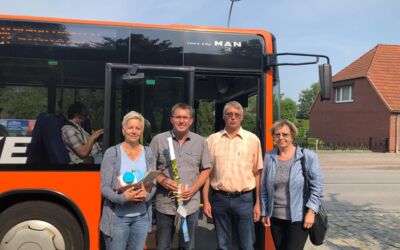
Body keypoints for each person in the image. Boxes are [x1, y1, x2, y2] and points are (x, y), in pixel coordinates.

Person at [150, 103, 212, 250]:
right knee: (163, 246)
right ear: (171, 119)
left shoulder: (200, 142)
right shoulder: (159, 140)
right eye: (178, 117)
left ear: (191, 120)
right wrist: (162, 180)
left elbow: (206, 169)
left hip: (189, 205)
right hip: (165, 204)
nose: (181, 121)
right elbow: (149, 169)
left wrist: (194, 189)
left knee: (187, 245)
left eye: (185, 117)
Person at [203, 101, 263, 250]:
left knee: (247, 244)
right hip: (219, 199)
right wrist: (206, 201)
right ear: (224, 117)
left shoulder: (253, 140)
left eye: (237, 115)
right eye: (229, 114)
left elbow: (257, 174)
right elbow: (207, 174)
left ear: (242, 117)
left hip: (244, 200)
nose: (233, 118)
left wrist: (258, 203)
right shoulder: (212, 140)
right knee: (223, 245)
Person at [260, 119, 323, 250]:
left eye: (285, 134)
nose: (281, 137)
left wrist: (311, 211)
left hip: (298, 217)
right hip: (275, 217)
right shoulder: (269, 156)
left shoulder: (307, 156)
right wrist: (265, 212)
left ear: (292, 135)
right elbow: (264, 188)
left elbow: (317, 187)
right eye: (277, 134)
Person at [100, 111, 156, 250]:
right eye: (130, 127)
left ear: (142, 131)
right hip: (117, 218)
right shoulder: (112, 153)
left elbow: (152, 183)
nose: (134, 131)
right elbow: (104, 187)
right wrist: (122, 198)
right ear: (123, 129)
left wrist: (147, 195)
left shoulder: (148, 153)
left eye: (138, 128)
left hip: (141, 218)